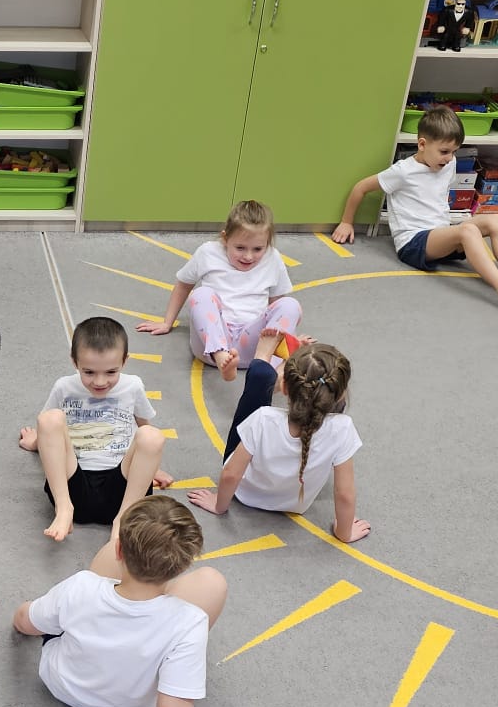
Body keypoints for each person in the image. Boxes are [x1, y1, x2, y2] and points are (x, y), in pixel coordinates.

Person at [12, 495, 227, 707]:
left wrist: (21, 615)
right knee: (213, 583)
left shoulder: (81, 586)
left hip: (62, 685)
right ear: (184, 564)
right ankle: (151, 599)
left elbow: (26, 622)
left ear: (119, 550)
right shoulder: (190, 621)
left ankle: (132, 593)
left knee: (82, 597)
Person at [330, 106, 498, 307]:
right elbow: (361, 188)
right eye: (444, 151)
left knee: (494, 220)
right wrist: (346, 222)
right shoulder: (403, 171)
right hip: (413, 243)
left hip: (441, 236)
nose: (449, 158)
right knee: (468, 230)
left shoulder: (448, 164)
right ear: (422, 144)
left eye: (454, 152)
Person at [187, 342, 368, 543]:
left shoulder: (263, 418)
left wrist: (218, 505)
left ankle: (263, 358)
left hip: (245, 494)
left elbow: (231, 474)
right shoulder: (343, 428)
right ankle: (270, 364)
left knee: (259, 378)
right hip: (295, 504)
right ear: (341, 394)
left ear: (283, 387)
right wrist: (344, 532)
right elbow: (344, 494)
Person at [20, 317, 172, 543]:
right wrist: (34, 442)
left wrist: (150, 467)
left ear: (125, 361)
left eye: (111, 372)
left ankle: (124, 519)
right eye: (89, 372)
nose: (100, 382)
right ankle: (63, 510)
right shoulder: (64, 386)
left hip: (122, 491)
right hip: (74, 484)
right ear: (75, 362)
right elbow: (49, 431)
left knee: (152, 436)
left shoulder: (133, 386)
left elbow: (144, 426)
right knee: (49, 419)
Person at [137, 200, 301, 382]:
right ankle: (222, 357)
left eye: (257, 249)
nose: (248, 256)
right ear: (225, 238)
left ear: (268, 244)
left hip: (256, 347)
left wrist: (288, 335)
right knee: (201, 294)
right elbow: (183, 285)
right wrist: (167, 322)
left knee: (290, 305)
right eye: (240, 248)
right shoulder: (208, 252)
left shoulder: (273, 258)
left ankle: (268, 367)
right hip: (211, 343)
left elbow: (276, 305)